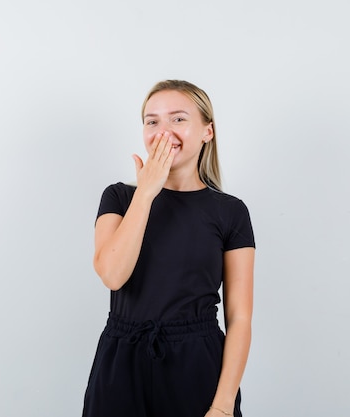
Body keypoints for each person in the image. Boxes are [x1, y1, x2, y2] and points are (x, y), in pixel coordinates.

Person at [82, 80, 255, 417]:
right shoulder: (119, 197)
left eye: (178, 119)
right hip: (121, 363)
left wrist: (221, 406)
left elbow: (240, 318)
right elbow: (113, 275)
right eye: (152, 121)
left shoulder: (230, 212)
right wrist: (146, 192)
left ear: (207, 131)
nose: (163, 131)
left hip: (197, 365)